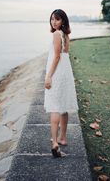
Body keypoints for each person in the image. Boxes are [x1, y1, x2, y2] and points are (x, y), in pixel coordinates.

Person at [44, 9, 79, 157]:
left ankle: (55, 143)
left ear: (63, 21)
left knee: (55, 107)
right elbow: (65, 55)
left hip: (58, 72)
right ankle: (63, 137)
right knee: (63, 106)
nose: (54, 22)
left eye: (57, 19)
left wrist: (49, 76)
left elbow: (57, 57)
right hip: (65, 72)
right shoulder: (65, 35)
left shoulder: (57, 34)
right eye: (52, 19)